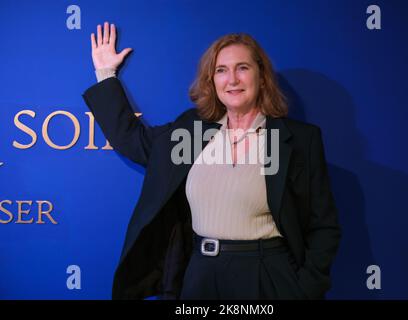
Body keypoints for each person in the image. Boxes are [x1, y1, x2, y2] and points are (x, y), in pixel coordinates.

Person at [82, 21, 341, 300]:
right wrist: (106, 73)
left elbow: (323, 226)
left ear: (262, 76)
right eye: (221, 70)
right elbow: (135, 141)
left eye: (242, 68)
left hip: (266, 276)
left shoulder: (299, 140)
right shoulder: (192, 130)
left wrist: (303, 290)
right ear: (212, 81)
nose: (232, 80)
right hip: (199, 275)